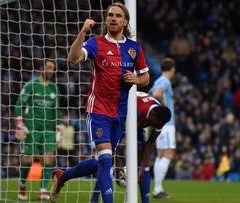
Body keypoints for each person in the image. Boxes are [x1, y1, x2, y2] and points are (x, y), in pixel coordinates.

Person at [50, 2, 150, 203]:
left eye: (118, 16)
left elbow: (146, 78)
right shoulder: (96, 43)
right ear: (106, 20)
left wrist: (136, 80)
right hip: (98, 110)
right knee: (105, 160)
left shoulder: (134, 48)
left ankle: (63, 176)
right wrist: (83, 31)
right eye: (110, 15)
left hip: (120, 114)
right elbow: (73, 58)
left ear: (125, 21)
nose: (113, 18)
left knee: (100, 162)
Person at [90, 91, 171, 203]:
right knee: (107, 159)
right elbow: (115, 139)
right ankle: (94, 199)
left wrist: (142, 169)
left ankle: (145, 200)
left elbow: (151, 143)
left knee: (141, 158)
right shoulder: (137, 111)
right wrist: (118, 164)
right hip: (119, 114)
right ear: (152, 116)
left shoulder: (160, 117)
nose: (158, 127)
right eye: (157, 124)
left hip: (137, 120)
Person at [14, 59, 59, 200]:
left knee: (49, 157)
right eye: (49, 68)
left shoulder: (54, 88)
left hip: (48, 129)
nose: (52, 71)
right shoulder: (31, 85)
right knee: (28, 159)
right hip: (32, 128)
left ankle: (43, 189)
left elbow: (56, 110)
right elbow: (18, 104)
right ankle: (22, 184)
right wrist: (20, 124)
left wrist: (58, 129)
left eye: (53, 68)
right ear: (42, 68)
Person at [150, 57, 176, 199]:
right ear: (172, 68)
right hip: (167, 124)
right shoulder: (164, 81)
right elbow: (157, 94)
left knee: (161, 155)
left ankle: (157, 188)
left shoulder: (157, 81)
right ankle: (158, 189)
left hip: (160, 124)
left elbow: (151, 95)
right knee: (169, 154)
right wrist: (165, 108)